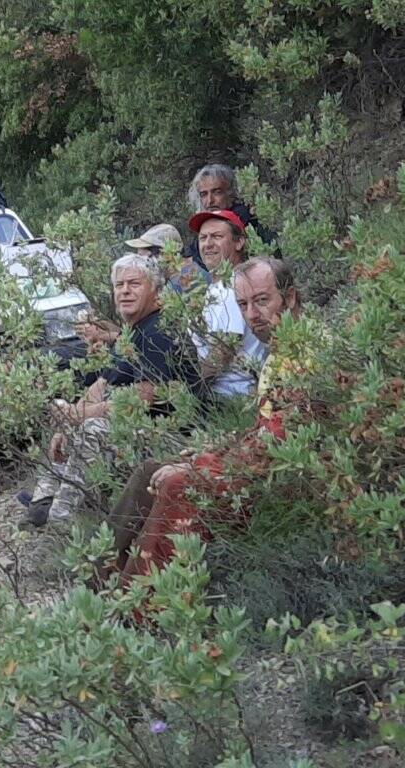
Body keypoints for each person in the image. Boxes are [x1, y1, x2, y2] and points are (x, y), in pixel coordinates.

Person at [104, 257, 301, 581]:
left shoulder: (301, 355)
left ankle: (135, 603)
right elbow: (264, 426)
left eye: (262, 300)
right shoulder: (276, 354)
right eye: (244, 304)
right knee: (149, 472)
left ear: (289, 298)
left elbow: (280, 441)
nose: (252, 315)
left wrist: (204, 462)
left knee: (175, 482)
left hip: (277, 471)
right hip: (254, 451)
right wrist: (216, 448)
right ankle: (100, 578)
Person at [18, 253, 199, 526]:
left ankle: (61, 524)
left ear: (155, 290)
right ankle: (42, 505)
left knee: (93, 429)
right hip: (139, 431)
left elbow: (143, 397)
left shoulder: (160, 330)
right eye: (119, 285)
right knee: (62, 413)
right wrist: (68, 418)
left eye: (134, 284)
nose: (125, 291)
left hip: (172, 437)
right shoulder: (132, 332)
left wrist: (84, 415)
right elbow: (101, 384)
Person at [184, 208, 261, 399]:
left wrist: (187, 392)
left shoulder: (232, 285)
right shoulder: (218, 287)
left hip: (227, 398)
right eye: (203, 238)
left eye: (217, 236)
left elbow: (223, 350)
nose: (208, 244)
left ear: (239, 242)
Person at [183, 164, 273, 268]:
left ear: (230, 192)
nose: (210, 201)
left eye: (217, 192)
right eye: (204, 194)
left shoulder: (248, 221)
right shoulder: (204, 224)